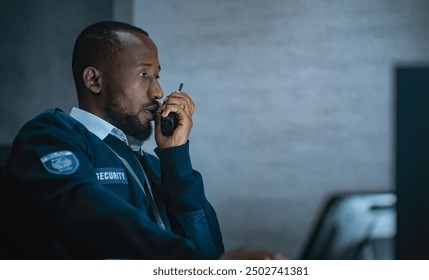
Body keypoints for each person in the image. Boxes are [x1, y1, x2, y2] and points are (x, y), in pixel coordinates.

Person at [0, 21, 284, 260]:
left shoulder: (153, 165)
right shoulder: (52, 135)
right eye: (144, 74)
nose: (158, 91)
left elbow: (210, 251)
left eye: (157, 76)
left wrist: (177, 160)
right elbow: (86, 215)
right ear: (94, 80)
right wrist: (190, 265)